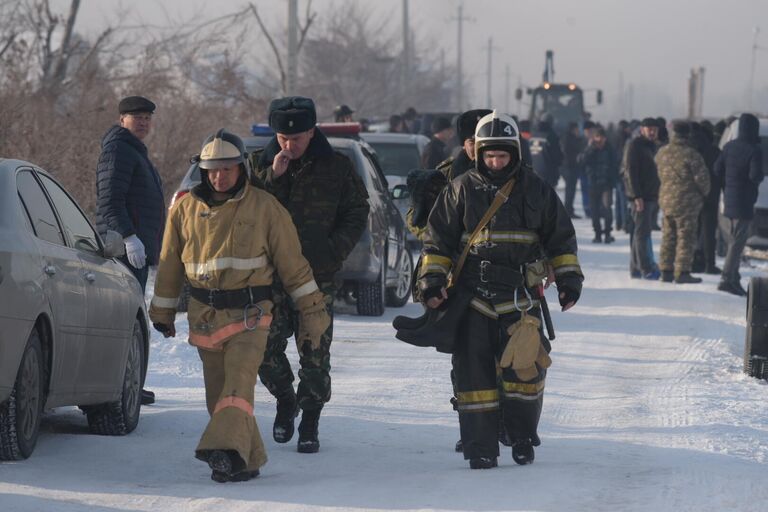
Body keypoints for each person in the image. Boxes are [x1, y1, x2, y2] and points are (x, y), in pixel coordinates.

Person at [148, 129, 330, 482]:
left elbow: (293, 265)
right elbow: (169, 263)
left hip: (251, 316)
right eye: (212, 169)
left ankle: (223, 453)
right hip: (204, 316)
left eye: (227, 169)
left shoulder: (265, 208)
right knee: (219, 396)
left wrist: (313, 310)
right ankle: (248, 460)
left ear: (242, 168)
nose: (219, 176)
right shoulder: (185, 210)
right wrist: (162, 312)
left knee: (238, 386)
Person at [419, 111, 583, 469]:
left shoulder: (537, 189)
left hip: (519, 302)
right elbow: (437, 244)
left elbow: (561, 238)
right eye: (489, 155)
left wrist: (569, 280)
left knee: (525, 374)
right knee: (472, 378)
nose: (495, 162)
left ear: (515, 154)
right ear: (479, 154)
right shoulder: (459, 189)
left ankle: (522, 437)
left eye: (502, 156)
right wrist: (431, 282)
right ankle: (479, 448)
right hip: (472, 300)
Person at [255, 96, 370, 452]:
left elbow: (357, 209)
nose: (290, 145)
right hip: (270, 277)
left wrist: (334, 250)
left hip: (315, 276)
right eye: (283, 138)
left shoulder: (335, 166)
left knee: (315, 353)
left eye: (298, 138)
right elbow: (244, 208)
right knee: (263, 349)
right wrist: (273, 176)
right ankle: (285, 399)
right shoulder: (259, 167)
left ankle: (310, 419)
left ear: (312, 132)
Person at [95, 95, 165, 406]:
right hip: (124, 250)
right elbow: (110, 200)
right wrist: (128, 236)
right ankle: (118, 388)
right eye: (136, 116)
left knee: (131, 321)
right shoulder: (118, 150)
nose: (143, 122)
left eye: (147, 117)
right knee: (123, 321)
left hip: (136, 250)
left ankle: (129, 385)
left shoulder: (135, 151)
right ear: (122, 119)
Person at [655, 121, 710, 283]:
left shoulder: (662, 153)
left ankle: (665, 270)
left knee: (668, 235)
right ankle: (682, 272)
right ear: (687, 134)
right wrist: (703, 194)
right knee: (686, 237)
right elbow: (703, 180)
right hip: (687, 203)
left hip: (666, 200)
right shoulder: (691, 154)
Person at [715, 113, 764, 296]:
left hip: (729, 198)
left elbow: (717, 169)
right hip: (744, 201)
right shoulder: (754, 150)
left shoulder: (729, 146)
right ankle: (727, 279)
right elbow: (755, 176)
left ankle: (733, 278)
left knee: (732, 241)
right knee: (737, 243)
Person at [624, 117, 661, 280]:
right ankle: (646, 268)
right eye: (649, 129)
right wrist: (636, 195)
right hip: (641, 197)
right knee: (642, 234)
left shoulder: (653, 146)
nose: (652, 131)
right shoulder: (635, 146)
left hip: (652, 195)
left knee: (641, 231)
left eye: (654, 129)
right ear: (642, 130)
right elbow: (630, 172)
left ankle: (635, 268)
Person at [577, 126, 619, 243]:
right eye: (597, 137)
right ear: (594, 138)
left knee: (607, 209)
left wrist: (613, 180)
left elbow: (616, 164)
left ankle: (607, 233)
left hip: (607, 184)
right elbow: (580, 161)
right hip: (593, 183)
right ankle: (597, 234)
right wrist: (590, 148)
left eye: (602, 137)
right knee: (594, 211)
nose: (600, 140)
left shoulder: (610, 149)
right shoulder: (589, 149)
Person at [561, 122, 586, 218]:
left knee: (570, 190)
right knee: (570, 190)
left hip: (569, 167)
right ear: (573, 129)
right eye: (577, 129)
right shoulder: (569, 138)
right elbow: (570, 152)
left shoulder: (568, 137)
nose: (578, 131)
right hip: (570, 167)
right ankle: (568, 210)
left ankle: (569, 209)